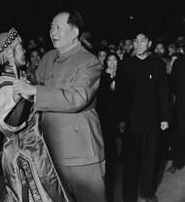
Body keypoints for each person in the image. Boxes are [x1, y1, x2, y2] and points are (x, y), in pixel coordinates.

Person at [13, 11, 106, 202]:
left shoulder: (89, 62)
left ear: (74, 32)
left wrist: (34, 90)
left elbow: (78, 98)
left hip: (80, 153)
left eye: (58, 28)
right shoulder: (48, 57)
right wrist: (7, 86)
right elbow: (32, 84)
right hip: (48, 149)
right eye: (51, 27)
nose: (52, 32)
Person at [0, 27, 74, 202]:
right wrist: (26, 98)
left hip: (34, 150)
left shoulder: (17, 77)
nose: (25, 50)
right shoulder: (6, 84)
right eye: (20, 46)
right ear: (9, 53)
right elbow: (7, 125)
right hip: (23, 154)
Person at [115, 32, 171, 202]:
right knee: (130, 160)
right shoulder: (125, 64)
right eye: (136, 41)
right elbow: (120, 95)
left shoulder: (157, 64)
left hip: (153, 121)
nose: (139, 44)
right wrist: (121, 119)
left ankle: (147, 191)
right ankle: (129, 195)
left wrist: (165, 118)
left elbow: (163, 92)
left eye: (143, 40)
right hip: (132, 122)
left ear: (149, 43)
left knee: (151, 159)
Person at [96, 52, 121, 202]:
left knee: (117, 151)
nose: (112, 63)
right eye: (109, 60)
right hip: (105, 120)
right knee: (108, 153)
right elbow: (101, 98)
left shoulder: (123, 76)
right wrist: (108, 78)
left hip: (119, 119)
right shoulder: (102, 77)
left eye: (114, 60)